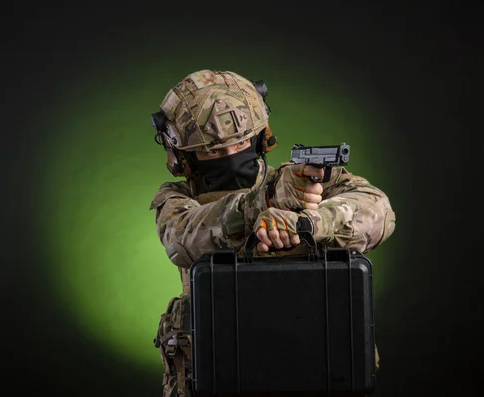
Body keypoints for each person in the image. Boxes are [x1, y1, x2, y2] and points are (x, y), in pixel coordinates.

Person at [149, 69, 396, 397]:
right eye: (213, 152)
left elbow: (379, 212)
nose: (231, 157)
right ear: (186, 157)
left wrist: (309, 223)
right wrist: (260, 205)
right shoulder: (177, 199)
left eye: (240, 143)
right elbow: (183, 240)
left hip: (313, 364)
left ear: (258, 138)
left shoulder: (301, 179)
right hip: (223, 372)